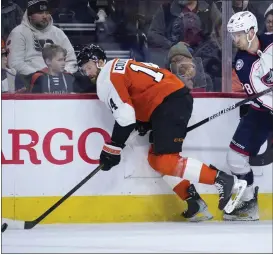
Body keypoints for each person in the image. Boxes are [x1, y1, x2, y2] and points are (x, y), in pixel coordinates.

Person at [76, 44, 247, 219]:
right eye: (83, 70)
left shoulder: (106, 77)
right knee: (156, 159)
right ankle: (193, 201)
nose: (87, 73)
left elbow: (125, 118)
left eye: (88, 67)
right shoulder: (121, 65)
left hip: (168, 103)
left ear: (100, 62)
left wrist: (113, 148)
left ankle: (223, 180)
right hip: (169, 101)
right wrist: (145, 121)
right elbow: (145, 88)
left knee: (166, 160)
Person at [225, 11, 273, 221]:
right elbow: (261, 97)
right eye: (233, 35)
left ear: (252, 31)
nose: (235, 40)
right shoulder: (242, 62)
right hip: (262, 112)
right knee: (235, 159)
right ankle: (248, 203)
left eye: (238, 34)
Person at [6, 0, 77, 77]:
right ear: (30, 16)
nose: (44, 16)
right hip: (29, 82)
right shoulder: (18, 33)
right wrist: (39, 76)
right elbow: (14, 64)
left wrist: (64, 74)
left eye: (46, 13)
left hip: (60, 80)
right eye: (40, 13)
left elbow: (71, 61)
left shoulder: (58, 33)